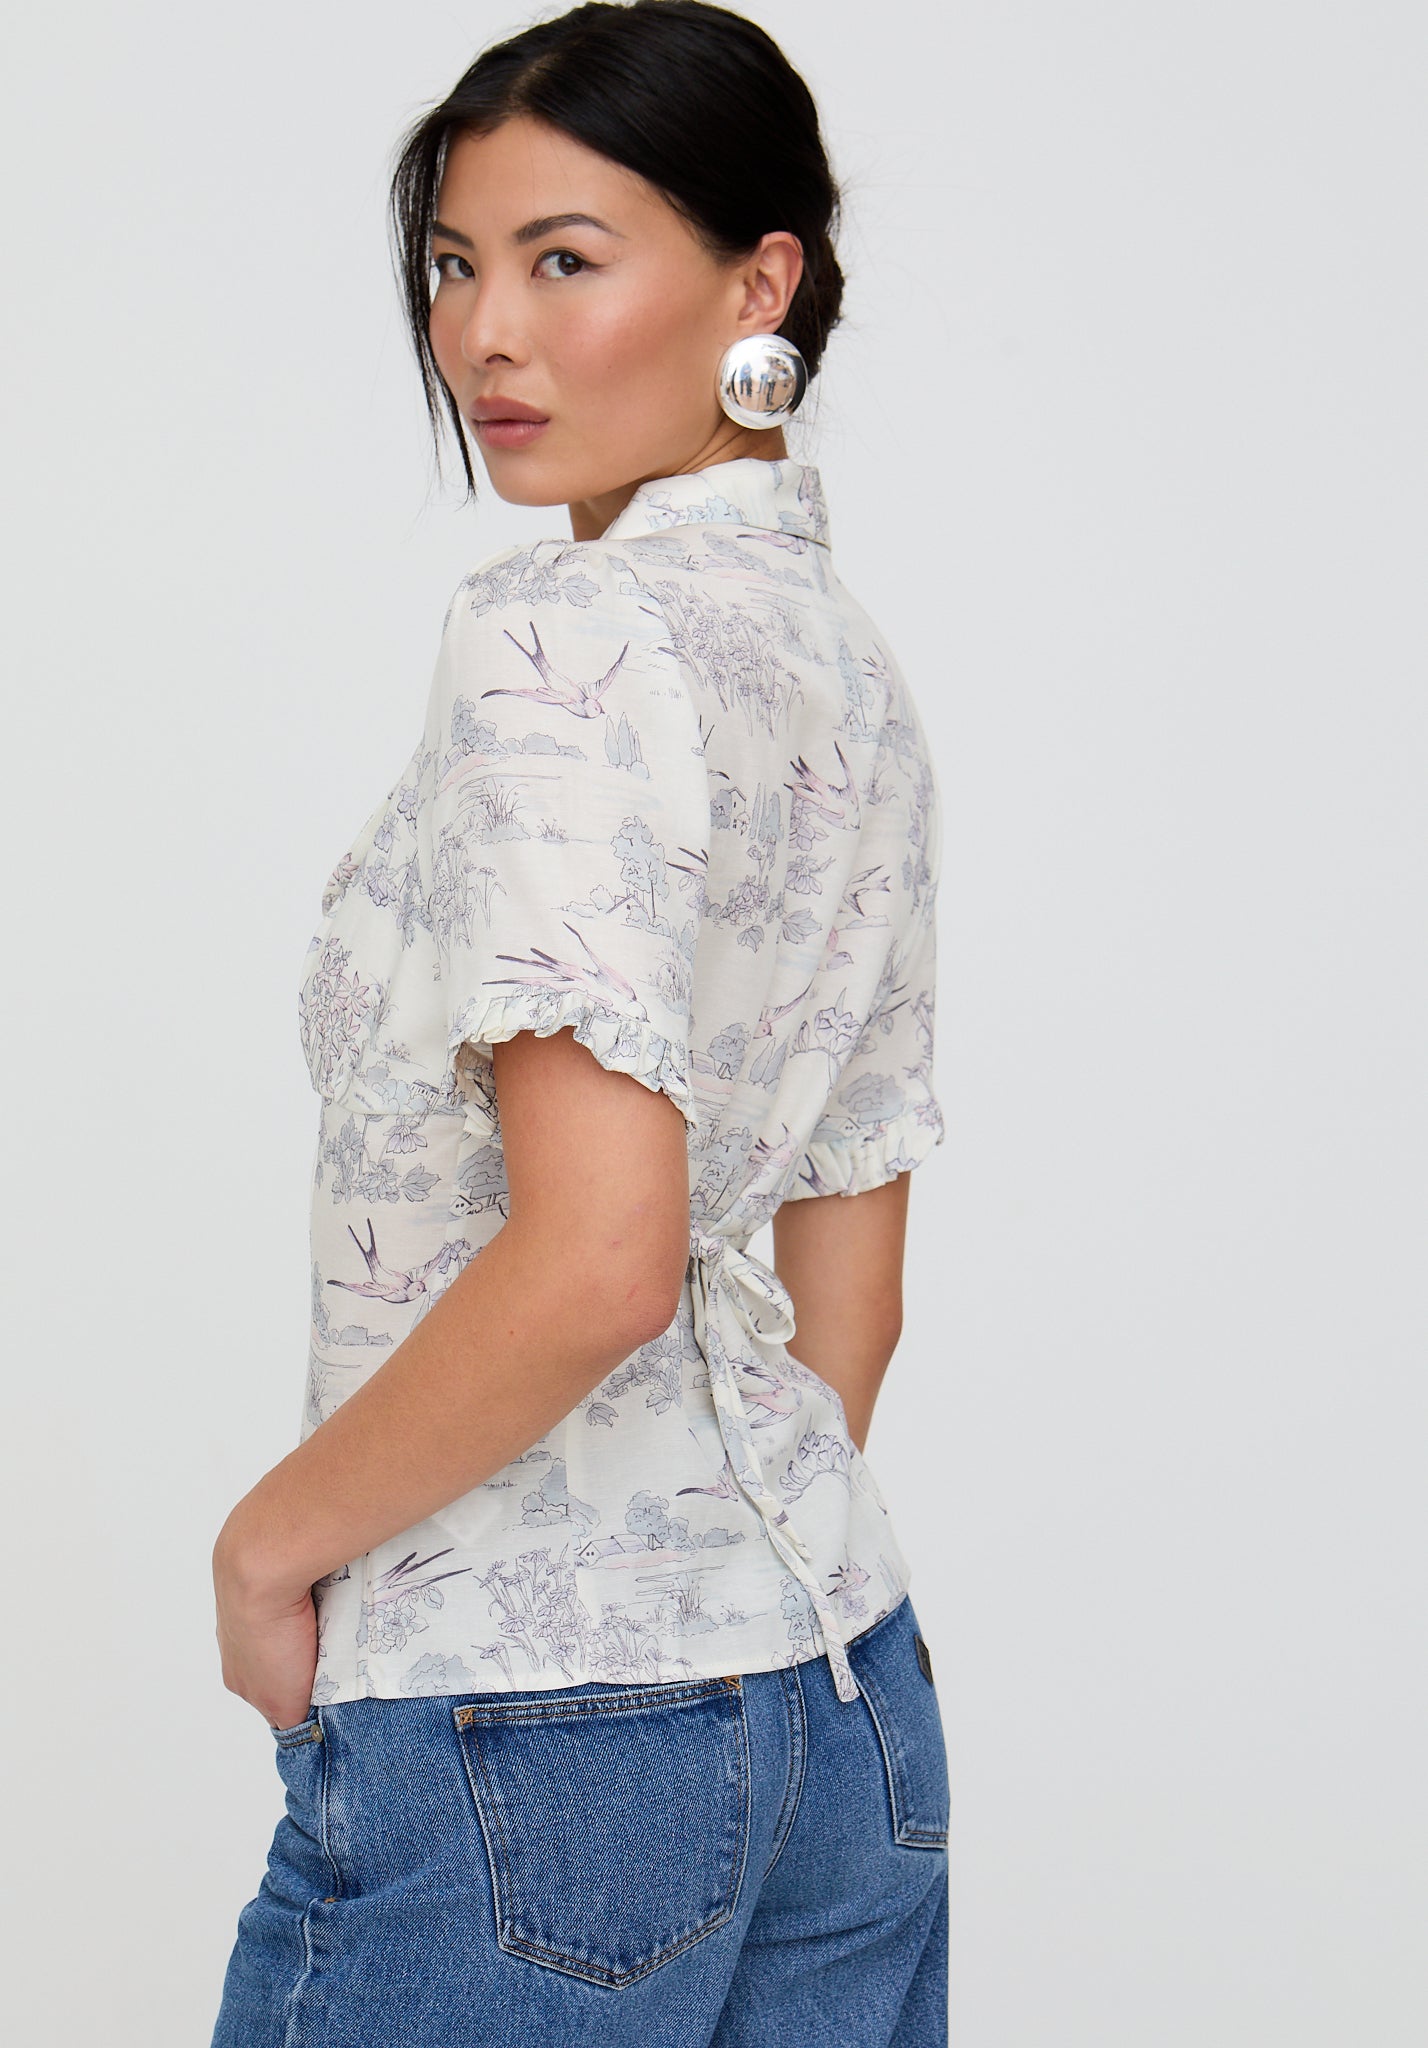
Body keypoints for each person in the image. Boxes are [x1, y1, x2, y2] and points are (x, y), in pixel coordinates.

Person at [209, 4, 950, 2042]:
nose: (485, 338)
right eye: (456, 266)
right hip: (840, 1700)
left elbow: (605, 1258)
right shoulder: (845, 663)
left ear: (757, 279)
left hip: (527, 1747)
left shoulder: (563, 636)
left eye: (564, 257)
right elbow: (850, 1291)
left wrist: (272, 1547)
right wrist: (704, 1639)